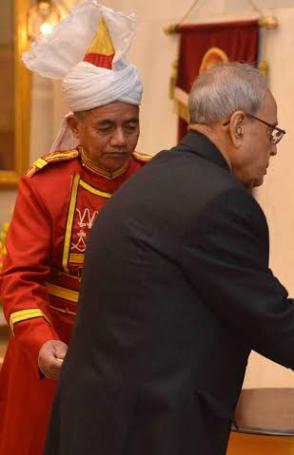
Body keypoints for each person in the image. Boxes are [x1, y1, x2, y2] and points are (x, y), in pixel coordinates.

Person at [45, 62, 294, 455]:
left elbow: (223, 306)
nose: (274, 148)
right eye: (272, 132)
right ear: (238, 126)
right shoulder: (220, 200)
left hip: (99, 417)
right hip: (144, 428)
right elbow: (263, 311)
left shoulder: (159, 175)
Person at [0, 2, 148, 454]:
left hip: (130, 357)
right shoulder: (46, 184)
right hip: (51, 356)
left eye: (130, 126)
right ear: (75, 126)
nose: (120, 140)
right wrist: (41, 342)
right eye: (105, 127)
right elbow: (19, 278)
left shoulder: (153, 182)